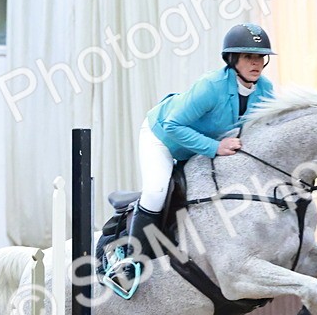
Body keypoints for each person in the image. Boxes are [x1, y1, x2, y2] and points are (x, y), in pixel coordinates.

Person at [104, 23, 277, 295]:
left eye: (259, 57)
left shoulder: (266, 90)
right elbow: (173, 126)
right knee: (157, 191)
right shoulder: (212, 85)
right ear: (232, 60)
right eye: (248, 57)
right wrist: (215, 147)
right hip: (162, 137)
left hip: (200, 145)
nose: (255, 63)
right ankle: (129, 263)